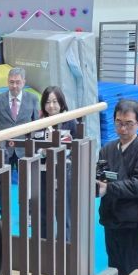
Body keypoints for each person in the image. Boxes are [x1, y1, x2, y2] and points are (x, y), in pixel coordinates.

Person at [96, 99, 138, 275]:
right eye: (119, 122)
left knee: (134, 274)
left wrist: (109, 188)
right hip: (111, 219)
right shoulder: (107, 149)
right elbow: (100, 176)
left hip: (136, 222)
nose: (123, 129)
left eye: (128, 124)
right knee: (115, 270)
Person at [36, 86, 78, 239]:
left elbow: (77, 148)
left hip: (65, 173)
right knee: (43, 212)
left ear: (61, 102)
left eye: (55, 101)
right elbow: (32, 147)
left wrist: (62, 152)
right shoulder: (38, 123)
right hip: (43, 173)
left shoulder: (70, 122)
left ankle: (66, 245)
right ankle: (44, 245)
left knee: (65, 213)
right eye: (47, 102)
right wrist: (42, 152)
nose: (51, 106)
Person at [0, 67, 39, 169]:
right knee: (2, 177)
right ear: (7, 81)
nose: (14, 86)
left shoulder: (33, 99)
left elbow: (36, 122)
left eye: (18, 82)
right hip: (4, 147)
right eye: (11, 82)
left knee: (27, 177)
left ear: (24, 82)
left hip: (25, 148)